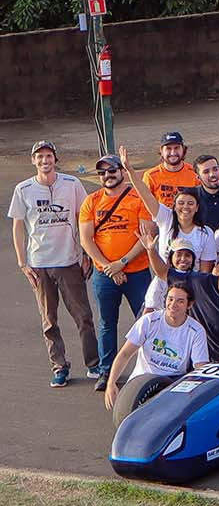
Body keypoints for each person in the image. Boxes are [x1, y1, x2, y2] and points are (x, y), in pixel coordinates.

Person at [10, 139, 97, 387]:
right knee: (49, 319)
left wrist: (85, 254)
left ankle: (94, 363)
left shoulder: (72, 184)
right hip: (40, 264)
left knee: (83, 316)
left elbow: (85, 218)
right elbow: (18, 226)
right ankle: (59, 366)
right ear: (33, 161)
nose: (44, 161)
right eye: (40, 157)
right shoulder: (23, 189)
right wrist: (22, 262)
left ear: (55, 159)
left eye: (48, 156)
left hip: (69, 261)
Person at [78, 152, 153, 391]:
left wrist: (122, 261)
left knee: (147, 320)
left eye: (112, 171)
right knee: (107, 323)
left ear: (122, 171)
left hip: (137, 271)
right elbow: (86, 239)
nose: (107, 176)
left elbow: (147, 235)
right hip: (105, 273)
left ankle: (150, 369)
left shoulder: (137, 197)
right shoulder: (92, 200)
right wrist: (109, 267)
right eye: (102, 172)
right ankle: (106, 370)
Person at [101, 283, 210, 414]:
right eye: (170, 299)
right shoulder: (148, 321)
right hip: (142, 379)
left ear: (189, 305)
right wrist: (111, 383)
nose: (173, 305)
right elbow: (125, 354)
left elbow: (201, 368)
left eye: (180, 301)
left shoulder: (196, 331)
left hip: (173, 381)